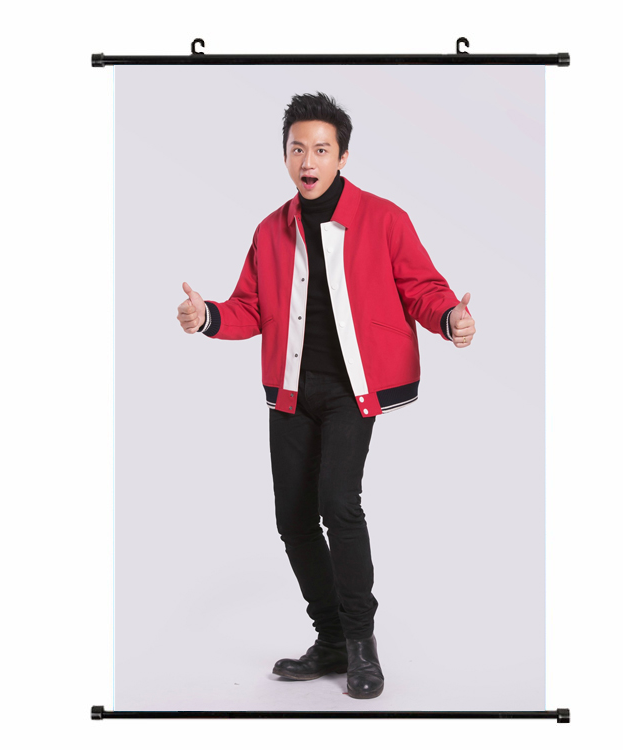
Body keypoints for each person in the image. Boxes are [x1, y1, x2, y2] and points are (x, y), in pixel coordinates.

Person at [176, 92, 476, 700]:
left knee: (338, 503)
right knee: (292, 518)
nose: (308, 161)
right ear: (285, 155)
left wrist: (449, 318)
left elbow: (422, 286)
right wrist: (208, 316)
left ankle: (362, 643)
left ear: (342, 156)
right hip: (291, 389)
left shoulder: (383, 218)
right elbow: (249, 308)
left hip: (351, 389)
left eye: (320, 149)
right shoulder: (270, 229)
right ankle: (332, 638)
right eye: (297, 149)